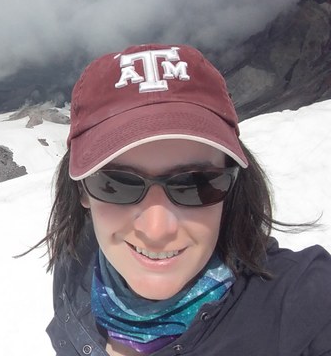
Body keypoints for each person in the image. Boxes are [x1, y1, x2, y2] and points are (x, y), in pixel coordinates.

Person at [36, 44, 331, 355]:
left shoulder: (300, 302)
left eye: (196, 184)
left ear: (233, 184)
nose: (157, 229)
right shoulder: (77, 264)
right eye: (116, 184)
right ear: (81, 189)